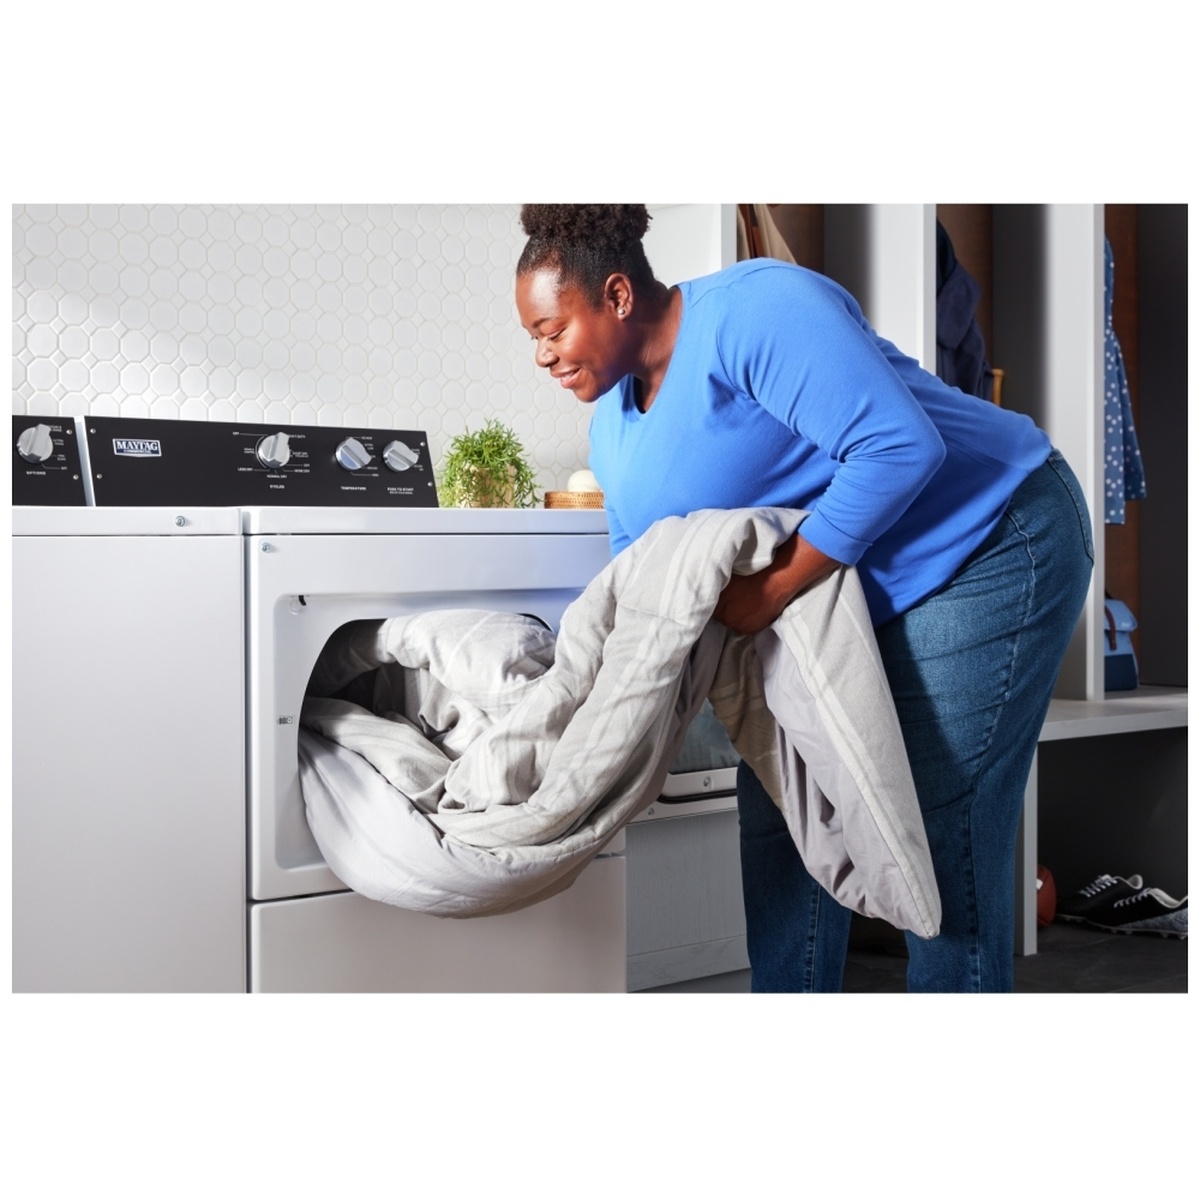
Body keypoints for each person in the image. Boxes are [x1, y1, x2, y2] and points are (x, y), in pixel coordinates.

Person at [514, 204, 1093, 993]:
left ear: (616, 295)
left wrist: (777, 586)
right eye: (533, 340)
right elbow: (645, 583)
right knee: (783, 807)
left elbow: (900, 446)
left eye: (552, 330)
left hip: (992, 535)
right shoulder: (612, 436)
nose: (542, 356)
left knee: (930, 813)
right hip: (851, 592)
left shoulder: (756, 313)